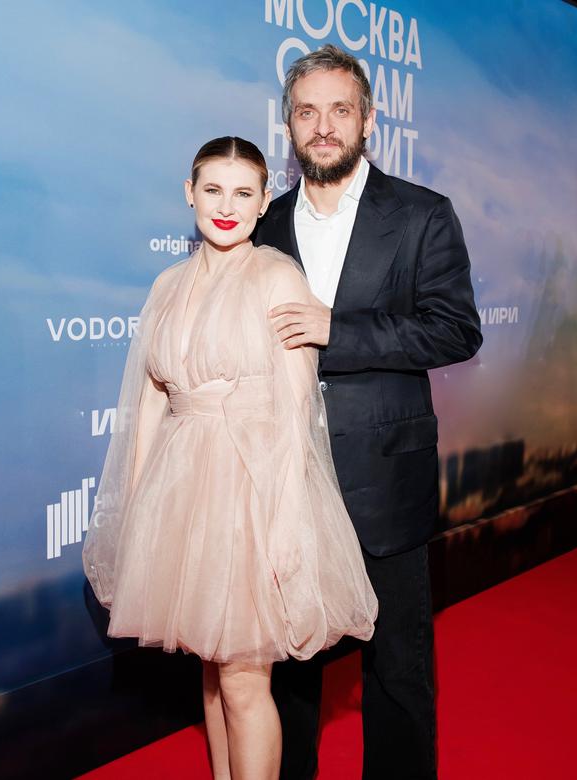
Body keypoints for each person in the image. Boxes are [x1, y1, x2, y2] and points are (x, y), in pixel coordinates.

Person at [82, 136, 377, 780]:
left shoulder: (277, 277)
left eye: (244, 193)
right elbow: (151, 405)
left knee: (244, 680)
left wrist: (285, 526)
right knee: (213, 671)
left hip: (252, 490)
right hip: (184, 491)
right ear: (188, 193)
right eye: (213, 190)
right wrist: (136, 509)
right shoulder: (167, 284)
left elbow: (298, 414)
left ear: (264, 201)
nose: (226, 207)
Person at [255, 45, 483, 780]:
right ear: (289, 125)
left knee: (397, 674)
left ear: (369, 120)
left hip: (385, 482)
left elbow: (456, 331)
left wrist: (336, 330)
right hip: (286, 483)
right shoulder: (265, 224)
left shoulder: (421, 215)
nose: (323, 126)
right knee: (289, 674)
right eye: (307, 112)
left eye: (340, 110)